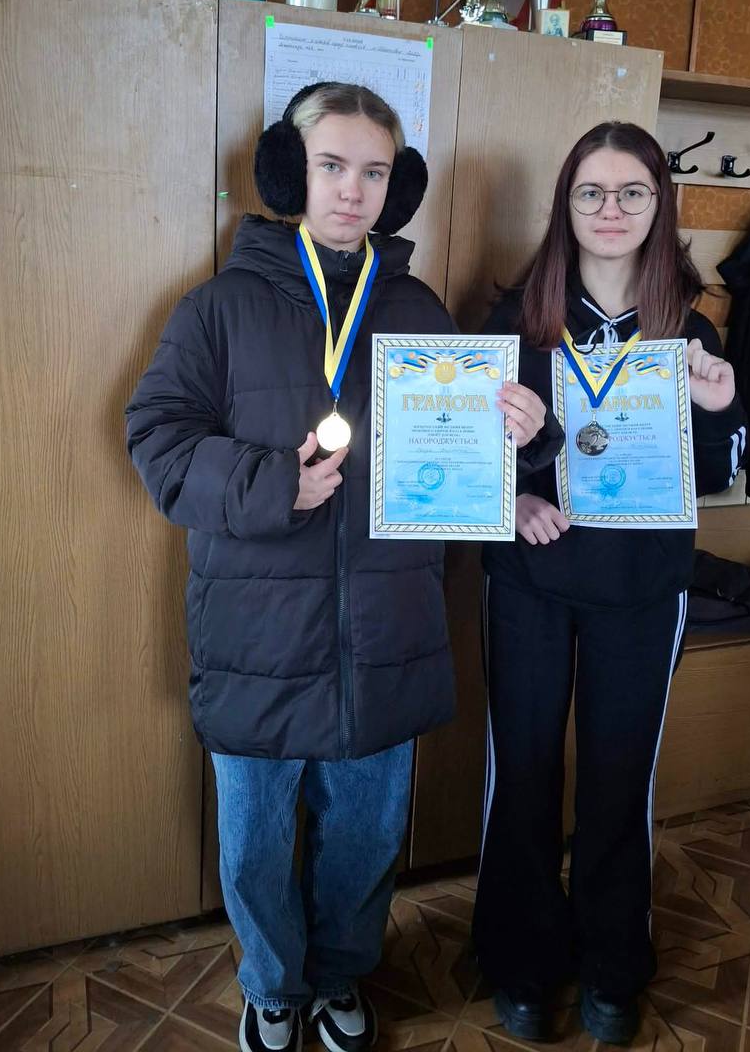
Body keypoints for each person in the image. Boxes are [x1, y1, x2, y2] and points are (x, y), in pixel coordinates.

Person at [126, 82, 547, 1052]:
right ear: (289, 173)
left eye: (374, 171)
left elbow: (463, 461)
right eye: (331, 165)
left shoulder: (420, 311)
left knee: (364, 835)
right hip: (259, 641)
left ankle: (342, 971)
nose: (352, 189)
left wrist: (521, 440)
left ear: (398, 187)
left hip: (386, 636)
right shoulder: (220, 307)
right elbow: (155, 436)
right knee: (255, 842)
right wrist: (274, 482)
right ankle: (272, 986)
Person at [473, 121, 748, 1045]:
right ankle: (521, 960)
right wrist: (512, 502)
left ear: (659, 205)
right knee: (522, 775)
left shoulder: (689, 331)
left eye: (633, 192)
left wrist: (720, 408)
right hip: (530, 579)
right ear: (566, 204)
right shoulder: (516, 318)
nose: (611, 209)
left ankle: (612, 964)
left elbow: (714, 474)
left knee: (619, 780)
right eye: (591, 191)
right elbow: (458, 450)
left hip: (642, 588)